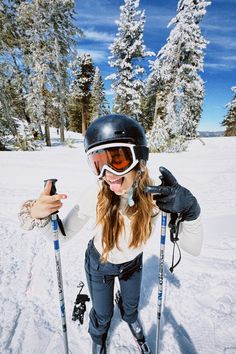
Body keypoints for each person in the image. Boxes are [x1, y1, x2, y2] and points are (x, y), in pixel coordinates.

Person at [19, 114, 203, 354]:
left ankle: (130, 318)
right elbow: (60, 236)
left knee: (131, 306)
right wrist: (39, 214)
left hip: (132, 264)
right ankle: (98, 336)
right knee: (103, 314)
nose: (107, 174)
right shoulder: (95, 194)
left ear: (139, 158)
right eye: (97, 163)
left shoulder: (158, 194)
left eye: (117, 160)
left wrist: (191, 211)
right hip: (100, 265)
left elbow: (193, 248)